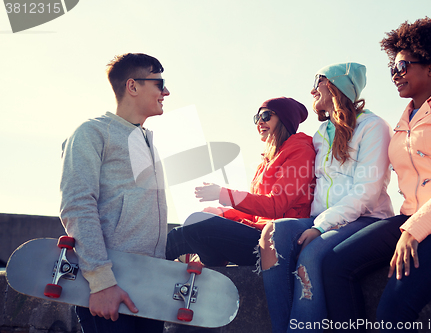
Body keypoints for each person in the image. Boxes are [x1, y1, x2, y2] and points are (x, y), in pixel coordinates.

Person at [322, 18, 431, 332]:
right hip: (411, 219)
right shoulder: (403, 120)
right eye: (392, 66)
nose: (395, 73)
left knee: (393, 308)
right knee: (335, 264)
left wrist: (414, 231)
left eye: (402, 65)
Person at [259, 63, 393, 333]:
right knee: (271, 235)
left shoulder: (373, 127)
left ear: (335, 86)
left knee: (310, 255)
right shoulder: (321, 136)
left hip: (364, 218)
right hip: (321, 218)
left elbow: (367, 192)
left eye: (318, 81)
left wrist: (320, 227)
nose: (312, 89)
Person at [59, 53, 170, 333]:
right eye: (159, 83)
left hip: (147, 289)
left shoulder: (147, 143)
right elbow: (77, 205)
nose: (166, 91)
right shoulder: (91, 132)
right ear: (133, 86)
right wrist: (101, 282)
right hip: (109, 289)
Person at [166, 97, 316, 267]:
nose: (260, 122)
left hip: (276, 240)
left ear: (284, 119)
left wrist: (223, 194)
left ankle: (209, 261)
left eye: (266, 116)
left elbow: (276, 205)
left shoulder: (300, 152)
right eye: (257, 118)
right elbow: (255, 214)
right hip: (258, 231)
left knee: (197, 224)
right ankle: (143, 275)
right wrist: (222, 213)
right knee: (178, 234)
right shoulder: (267, 160)